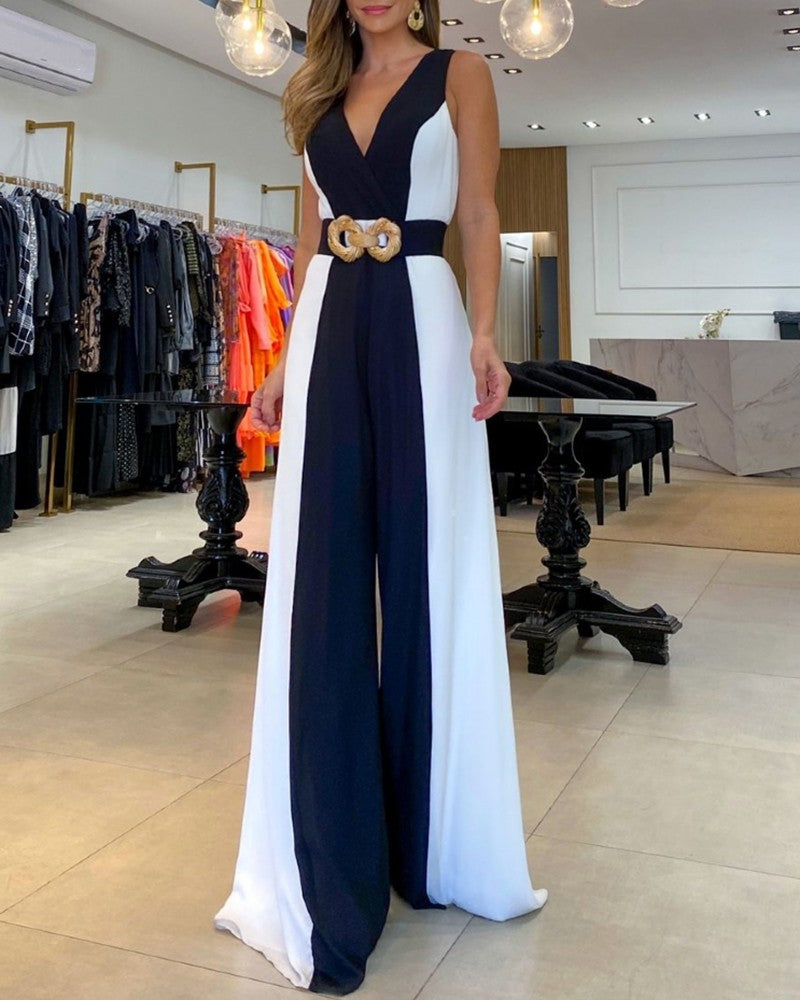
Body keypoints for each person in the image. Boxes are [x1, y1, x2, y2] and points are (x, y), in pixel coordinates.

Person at [214, 0, 547, 993]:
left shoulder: (460, 74)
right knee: (319, 587)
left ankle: (435, 846)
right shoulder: (312, 88)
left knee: (427, 576)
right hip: (326, 326)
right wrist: (282, 360)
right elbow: (307, 233)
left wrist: (484, 332)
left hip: (426, 321)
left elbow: (477, 210)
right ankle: (328, 860)